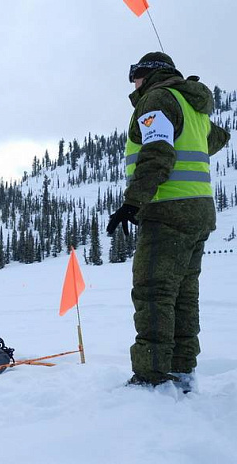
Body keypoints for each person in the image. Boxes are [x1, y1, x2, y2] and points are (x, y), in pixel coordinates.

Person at [107, 52, 230, 391]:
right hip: (200, 213)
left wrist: (132, 203)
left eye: (137, 74)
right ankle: (182, 370)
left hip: (168, 211)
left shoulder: (157, 99)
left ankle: (152, 376)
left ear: (151, 74)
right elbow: (219, 137)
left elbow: (157, 152)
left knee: (154, 291)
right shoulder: (192, 107)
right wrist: (196, 115)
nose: (133, 82)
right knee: (183, 295)